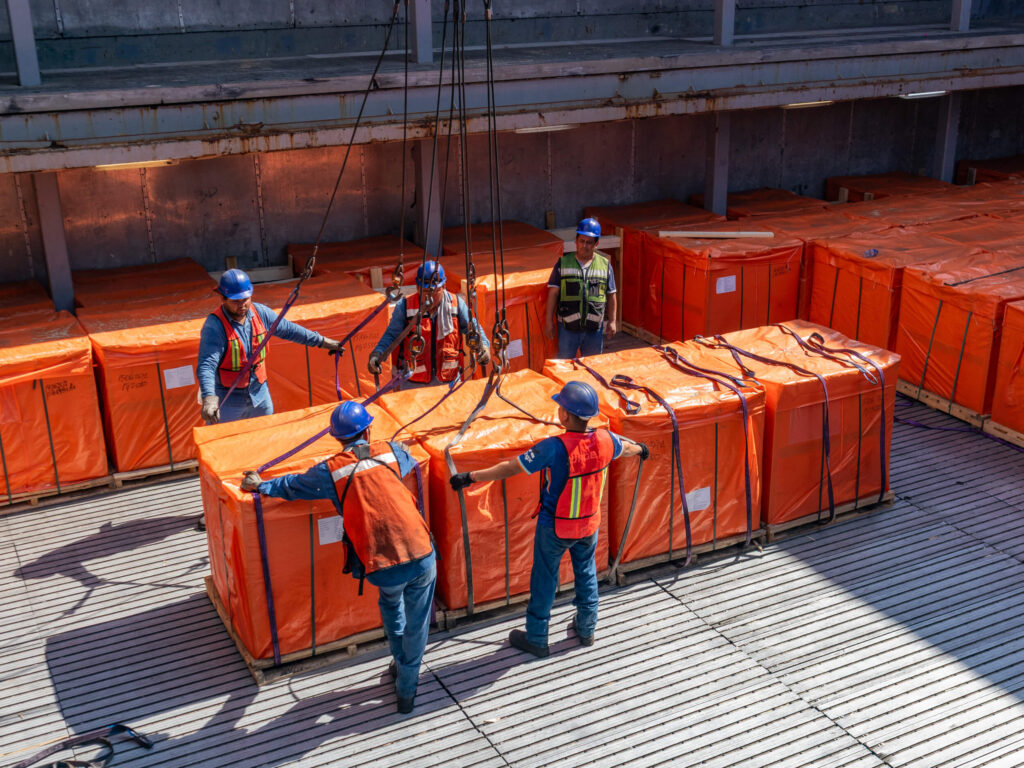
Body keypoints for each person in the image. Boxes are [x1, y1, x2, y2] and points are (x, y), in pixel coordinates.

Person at [241, 401, 436, 714]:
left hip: (381, 563)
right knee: (418, 622)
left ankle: (403, 670)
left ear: (336, 438)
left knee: (390, 604)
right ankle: (406, 687)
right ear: (368, 429)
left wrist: (260, 485)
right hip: (421, 552)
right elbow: (411, 460)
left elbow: (292, 486)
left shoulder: (329, 471)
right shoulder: (391, 451)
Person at [449, 381, 647, 657]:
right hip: (589, 525)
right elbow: (626, 448)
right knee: (587, 573)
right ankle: (587, 629)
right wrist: (641, 449)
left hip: (555, 527)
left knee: (544, 578)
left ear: (564, 415)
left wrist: (470, 477)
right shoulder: (605, 440)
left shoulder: (554, 448)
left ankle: (537, 637)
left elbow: (509, 468)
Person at [197, 268, 342, 425]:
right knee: (224, 442)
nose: (242, 304)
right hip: (228, 399)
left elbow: (290, 330)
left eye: (245, 299)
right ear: (223, 299)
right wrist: (209, 398)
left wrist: (322, 342)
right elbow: (207, 366)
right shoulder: (214, 326)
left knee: (266, 434)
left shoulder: (260, 313)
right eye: (235, 301)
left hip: (259, 393)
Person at [368, 260, 489, 387]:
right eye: (425, 292)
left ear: (444, 286)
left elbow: (474, 329)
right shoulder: (405, 307)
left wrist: (484, 347)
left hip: (448, 381)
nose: (430, 297)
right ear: (417, 287)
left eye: (435, 292)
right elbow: (391, 336)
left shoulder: (457, 305)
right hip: (414, 383)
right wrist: (377, 354)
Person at [545, 217, 618, 359]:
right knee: (565, 367)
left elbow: (611, 294)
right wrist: (548, 322)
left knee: (592, 368)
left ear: (596, 244)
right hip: (567, 329)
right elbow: (553, 294)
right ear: (576, 241)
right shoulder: (563, 263)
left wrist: (613, 321)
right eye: (582, 241)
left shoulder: (605, 265)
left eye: (589, 242)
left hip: (594, 331)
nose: (585, 246)